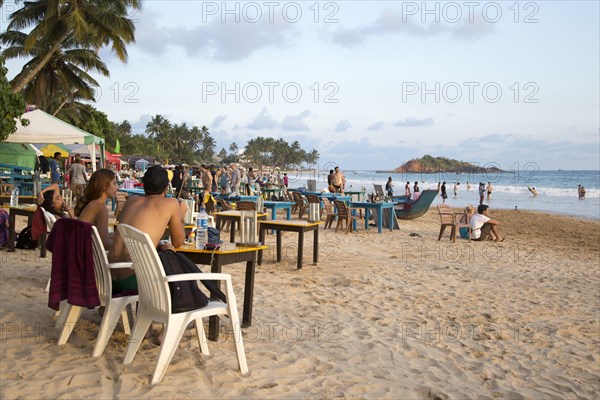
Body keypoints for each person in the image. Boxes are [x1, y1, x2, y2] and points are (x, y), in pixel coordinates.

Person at [107, 165, 188, 292]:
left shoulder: (132, 200)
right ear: (166, 187)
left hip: (108, 277)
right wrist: (181, 215)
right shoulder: (171, 203)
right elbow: (178, 243)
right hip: (133, 279)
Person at [75, 169, 118, 250]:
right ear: (104, 186)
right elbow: (104, 244)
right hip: (87, 255)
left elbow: (99, 235)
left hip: (79, 249)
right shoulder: (101, 208)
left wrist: (114, 236)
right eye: (114, 184)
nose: (117, 187)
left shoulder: (93, 203)